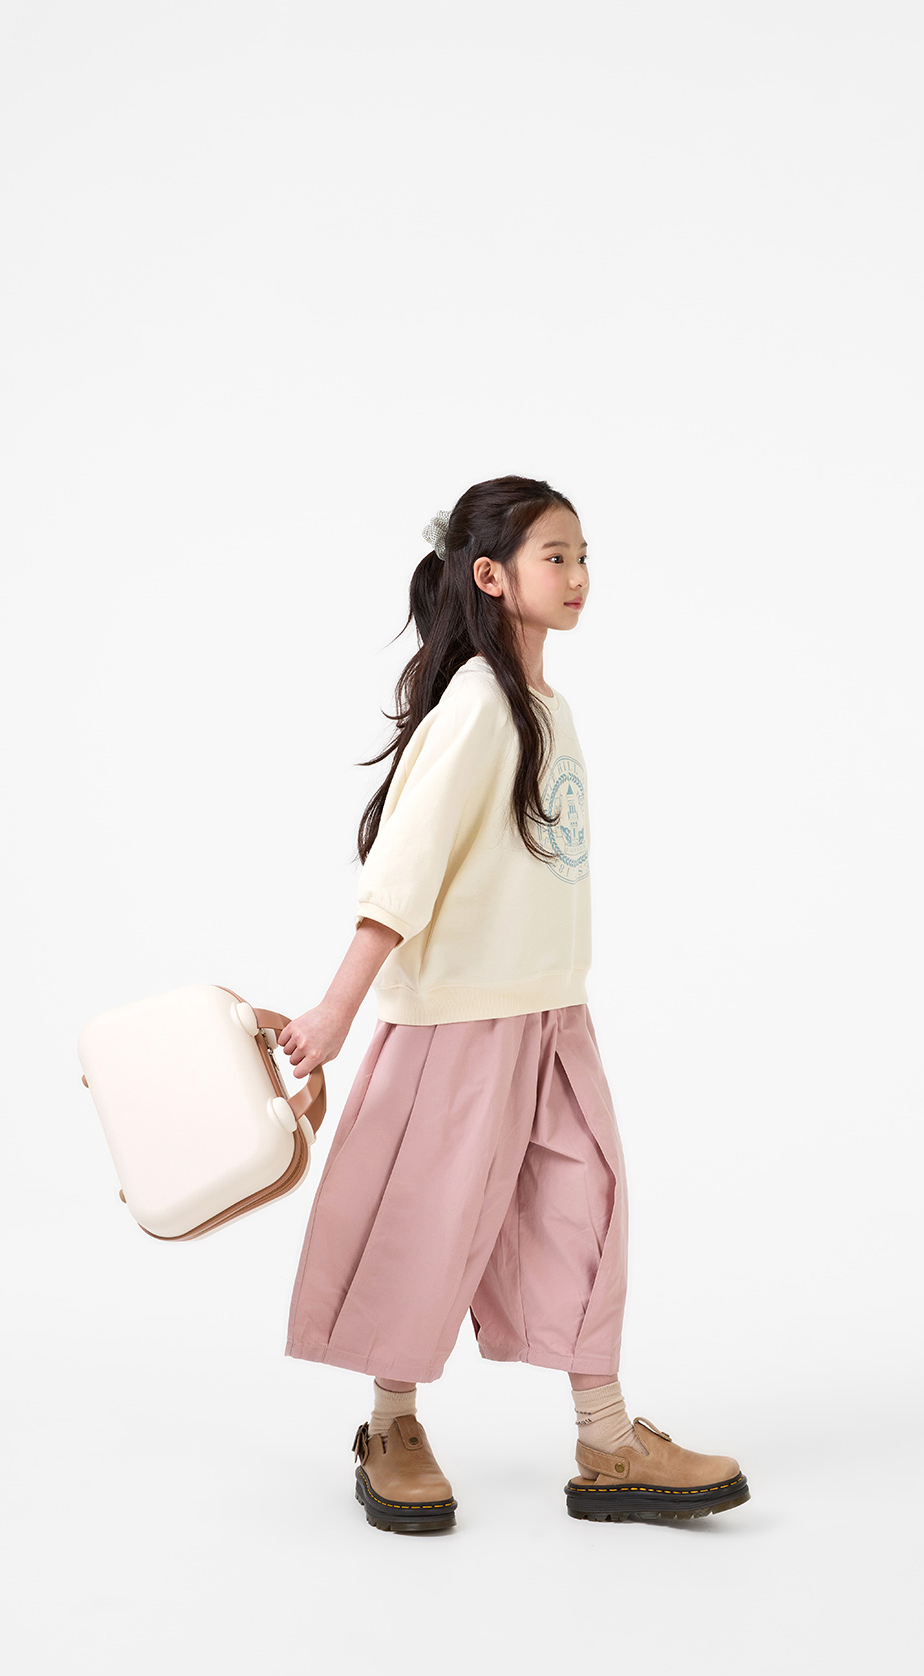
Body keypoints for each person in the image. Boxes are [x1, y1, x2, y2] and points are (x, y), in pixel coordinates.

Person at [276, 474, 749, 1533]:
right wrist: (338, 1009)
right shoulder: (480, 707)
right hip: (457, 1020)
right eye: (556, 557)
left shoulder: (547, 707)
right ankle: (391, 1423)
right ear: (491, 576)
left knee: (586, 1205)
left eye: (584, 557)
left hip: (550, 1014)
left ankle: (607, 1438)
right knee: (424, 1217)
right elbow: (405, 868)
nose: (578, 577)